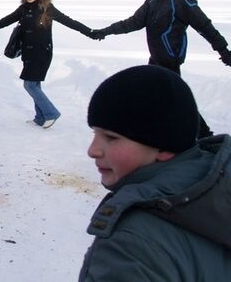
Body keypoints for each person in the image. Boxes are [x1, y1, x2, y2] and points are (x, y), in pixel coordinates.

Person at [80, 65, 231, 280]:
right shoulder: (219, 190)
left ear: (163, 146)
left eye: (111, 137)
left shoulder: (131, 246)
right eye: (95, 133)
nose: (92, 150)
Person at [92, 0, 231, 137]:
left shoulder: (183, 1)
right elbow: (134, 22)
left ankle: (204, 135)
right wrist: (106, 31)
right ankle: (158, 132)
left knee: (177, 100)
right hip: (156, 58)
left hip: (170, 61)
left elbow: (206, 27)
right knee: (156, 96)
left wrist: (224, 51)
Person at [0, 0, 94, 128]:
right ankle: (40, 117)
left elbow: (69, 22)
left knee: (29, 85)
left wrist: (90, 32)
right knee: (35, 84)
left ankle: (51, 113)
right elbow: (9, 19)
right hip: (28, 53)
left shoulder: (47, 8)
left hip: (42, 53)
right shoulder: (24, 8)